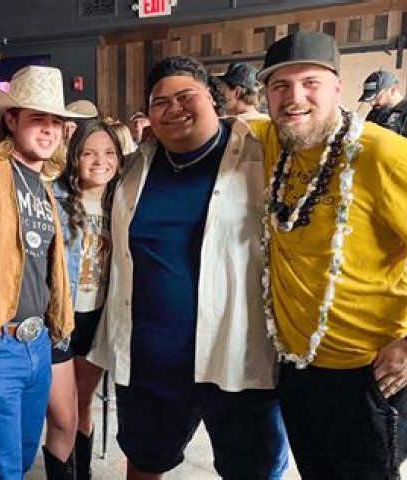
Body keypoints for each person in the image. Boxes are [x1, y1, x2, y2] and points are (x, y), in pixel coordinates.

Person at [88, 56, 289, 479]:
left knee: (252, 470)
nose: (173, 108)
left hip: (236, 361)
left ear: (213, 99)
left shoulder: (261, 155)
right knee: (145, 463)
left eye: (185, 96)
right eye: (160, 102)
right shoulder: (134, 168)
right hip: (150, 363)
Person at [250, 31, 407, 479]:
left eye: (310, 83)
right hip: (298, 369)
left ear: (337, 88)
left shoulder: (384, 155)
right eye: (280, 86)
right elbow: (214, 127)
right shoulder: (272, 142)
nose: (295, 98)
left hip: (373, 373)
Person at [0, 65, 94, 479]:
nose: (49, 130)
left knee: (21, 461)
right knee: (1, 471)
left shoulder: (42, 185)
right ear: (10, 119)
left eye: (56, 122)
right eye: (37, 119)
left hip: (35, 343)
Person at [45, 119, 121, 480]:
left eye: (109, 153)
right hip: (60, 319)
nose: (100, 161)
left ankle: (83, 473)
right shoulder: (53, 198)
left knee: (83, 405)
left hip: (99, 319)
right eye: (89, 153)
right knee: (62, 416)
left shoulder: (122, 201)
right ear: (74, 156)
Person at [359, 69, 407, 146]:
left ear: (393, 90)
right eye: (371, 100)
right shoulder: (376, 112)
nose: (372, 103)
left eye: (377, 97)